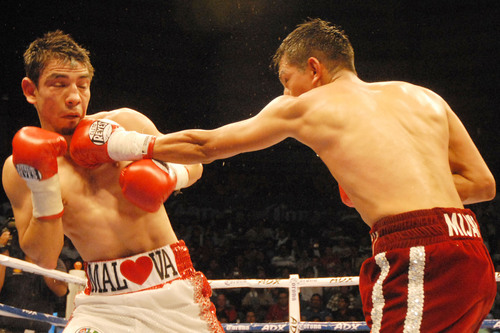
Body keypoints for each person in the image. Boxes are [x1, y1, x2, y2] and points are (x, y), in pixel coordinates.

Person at [143, 18, 496, 332]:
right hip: (471, 249)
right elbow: (482, 185)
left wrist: (126, 144)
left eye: (286, 79)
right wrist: (395, 185)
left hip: (420, 256)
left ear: (314, 68)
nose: (285, 92)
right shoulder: (425, 98)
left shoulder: (305, 105)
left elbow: (206, 146)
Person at [1, 31, 222, 332]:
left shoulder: (124, 124)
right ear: (30, 90)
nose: (75, 97)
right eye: (59, 84)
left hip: (173, 290)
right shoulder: (19, 168)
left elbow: (195, 163)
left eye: (83, 84)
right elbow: (44, 257)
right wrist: (45, 184)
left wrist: (169, 176)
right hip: (103, 305)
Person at [0, 218, 68, 333]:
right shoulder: (9, 258)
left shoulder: (54, 261)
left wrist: (43, 260)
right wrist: (2, 251)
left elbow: (61, 290)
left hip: (39, 330)